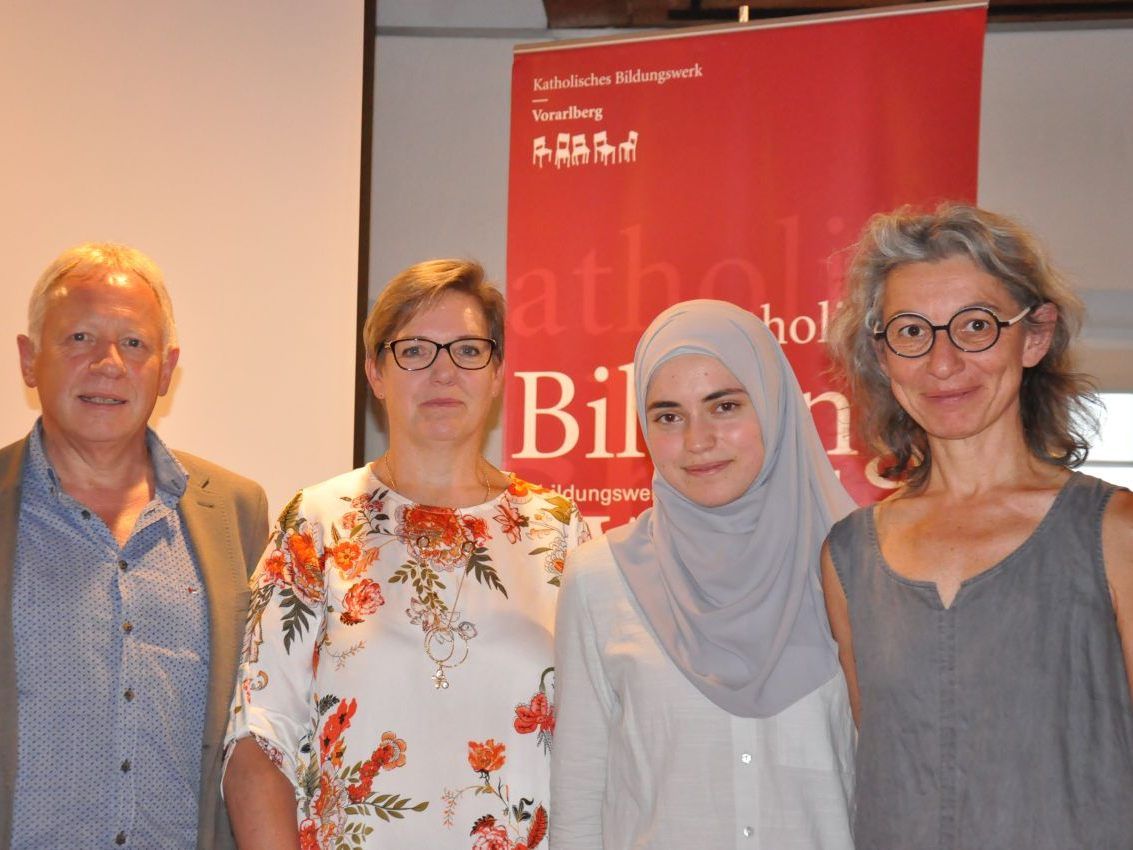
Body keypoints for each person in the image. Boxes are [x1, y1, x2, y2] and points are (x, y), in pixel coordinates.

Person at [223, 259, 589, 850]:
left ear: (497, 372)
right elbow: (257, 741)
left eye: (468, 350)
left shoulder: (562, 535)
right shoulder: (316, 524)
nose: (443, 372)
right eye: (415, 350)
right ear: (375, 371)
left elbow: (600, 747)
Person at [823, 202, 1133, 848]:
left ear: (1035, 336)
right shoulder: (849, 556)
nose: (942, 363)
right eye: (911, 332)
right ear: (881, 356)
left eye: (975, 326)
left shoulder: (1114, 533)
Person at [551, 299, 857, 849]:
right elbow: (579, 797)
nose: (697, 440)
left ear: (773, 405)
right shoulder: (601, 578)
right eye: (669, 416)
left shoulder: (855, 569)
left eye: (724, 406)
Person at [0, 243, 269, 850]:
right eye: (79, 339)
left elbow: (256, 730)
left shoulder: (236, 511)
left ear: (166, 369)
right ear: (28, 359)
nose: (108, 364)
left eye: (134, 344)